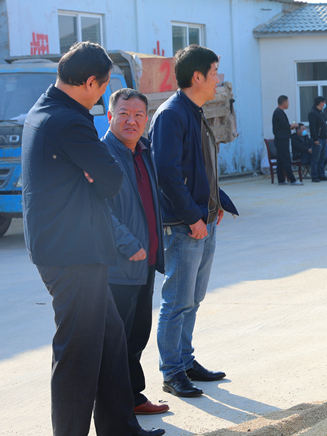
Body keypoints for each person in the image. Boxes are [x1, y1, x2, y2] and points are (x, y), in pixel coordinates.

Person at [21, 41, 164, 436]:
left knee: (111, 340)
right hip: (73, 252)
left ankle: (121, 428)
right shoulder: (70, 121)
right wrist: (95, 175)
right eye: (103, 86)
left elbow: (99, 176)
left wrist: (93, 175)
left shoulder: (43, 110)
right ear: (89, 83)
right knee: (78, 354)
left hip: (68, 245)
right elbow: (112, 179)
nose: (102, 95)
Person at [150, 44, 238, 398]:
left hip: (204, 219)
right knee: (177, 301)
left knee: (193, 298)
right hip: (184, 225)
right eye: (214, 73)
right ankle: (172, 371)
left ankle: (185, 361)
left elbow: (201, 168)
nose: (218, 79)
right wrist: (192, 217)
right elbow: (167, 174)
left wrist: (215, 204)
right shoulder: (172, 115)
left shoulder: (195, 112)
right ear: (197, 76)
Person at [103, 88, 169, 415]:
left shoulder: (144, 151)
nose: (132, 120)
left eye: (139, 115)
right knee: (117, 340)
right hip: (119, 265)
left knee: (137, 335)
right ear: (109, 116)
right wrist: (127, 243)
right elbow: (98, 208)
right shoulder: (102, 155)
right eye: (124, 114)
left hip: (146, 262)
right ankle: (118, 408)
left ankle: (132, 398)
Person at [272, 95, 302, 185]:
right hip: (281, 139)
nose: (288, 104)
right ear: (284, 102)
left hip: (282, 138)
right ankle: (292, 180)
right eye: (288, 102)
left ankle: (281, 180)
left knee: (280, 160)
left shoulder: (279, 112)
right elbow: (285, 125)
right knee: (286, 159)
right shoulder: (278, 112)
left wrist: (290, 127)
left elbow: (283, 126)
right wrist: (293, 125)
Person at [307, 96, 327, 182]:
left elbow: (324, 126)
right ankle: (314, 175)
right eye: (324, 102)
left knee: (323, 158)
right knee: (316, 158)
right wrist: (315, 138)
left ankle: (321, 174)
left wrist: (326, 137)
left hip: (323, 138)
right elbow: (312, 127)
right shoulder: (313, 113)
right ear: (321, 103)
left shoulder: (321, 113)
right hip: (318, 139)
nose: (324, 104)